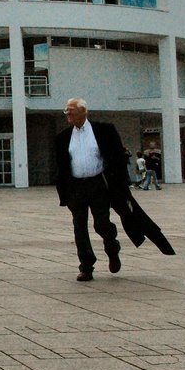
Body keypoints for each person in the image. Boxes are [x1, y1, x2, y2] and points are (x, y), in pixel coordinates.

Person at [55, 97, 126, 282]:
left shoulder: (104, 130)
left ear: (84, 111)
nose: (67, 114)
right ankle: (86, 266)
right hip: (76, 187)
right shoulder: (63, 137)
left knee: (101, 223)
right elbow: (61, 167)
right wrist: (64, 194)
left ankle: (112, 248)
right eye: (66, 111)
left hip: (98, 184)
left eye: (71, 110)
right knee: (79, 227)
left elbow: (118, 159)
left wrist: (121, 185)